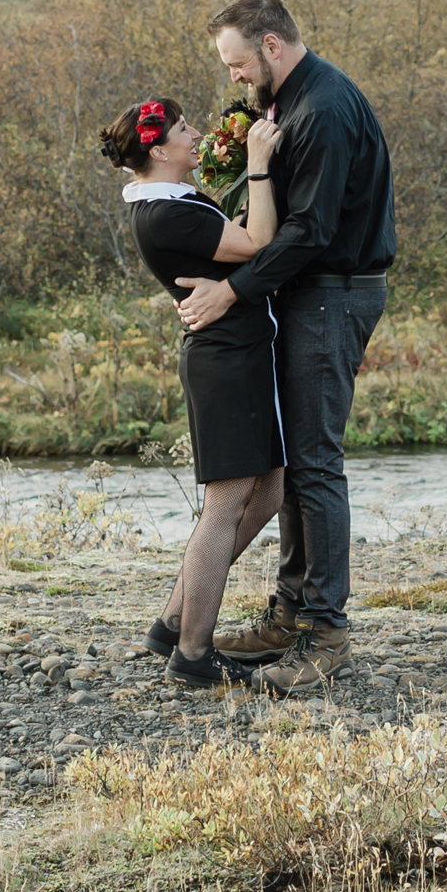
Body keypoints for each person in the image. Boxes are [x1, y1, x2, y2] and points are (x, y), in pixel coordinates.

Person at [174, 0, 395, 696]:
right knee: (298, 460)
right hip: (309, 291)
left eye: (237, 65)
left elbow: (312, 233)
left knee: (316, 461)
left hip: (333, 291)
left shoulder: (323, 110)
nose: (235, 79)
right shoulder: (288, 103)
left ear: (271, 47)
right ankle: (292, 612)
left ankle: (326, 631)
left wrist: (232, 292)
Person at [98, 96, 287, 689]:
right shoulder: (167, 214)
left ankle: (174, 621)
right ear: (158, 150)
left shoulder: (173, 201)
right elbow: (258, 242)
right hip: (225, 363)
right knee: (227, 502)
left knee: (271, 488)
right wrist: (257, 164)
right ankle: (193, 652)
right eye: (184, 129)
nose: (196, 133)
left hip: (238, 356)